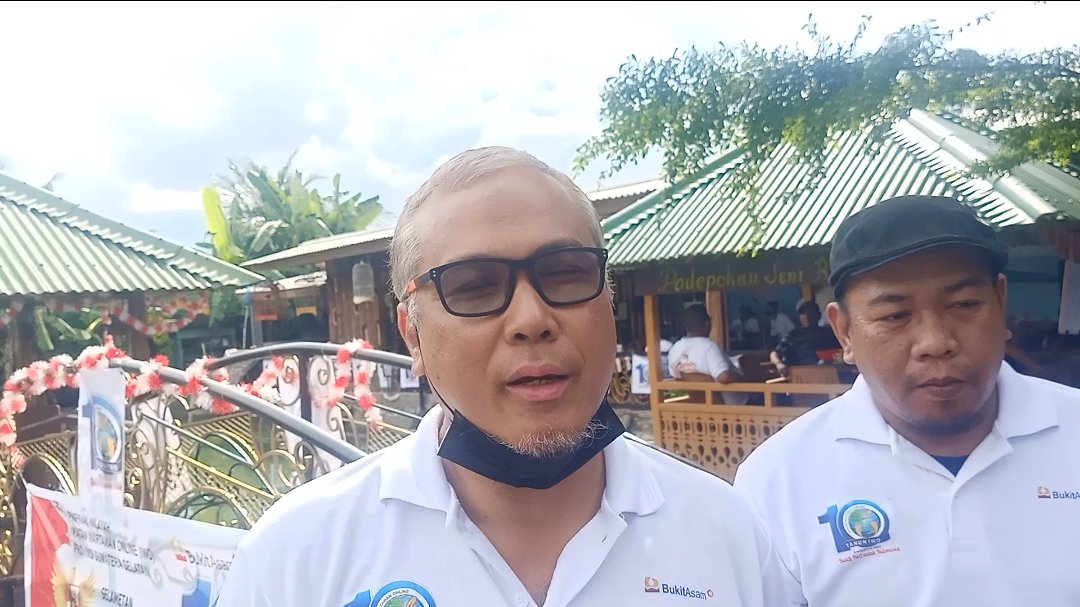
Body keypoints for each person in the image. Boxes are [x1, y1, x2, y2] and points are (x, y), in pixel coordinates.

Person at [217, 146, 789, 606]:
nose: (532, 319)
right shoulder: (296, 559)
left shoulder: (729, 536)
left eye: (565, 274)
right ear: (412, 335)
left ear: (608, 302)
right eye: (474, 287)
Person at [733, 195, 1080, 606]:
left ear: (1001, 302)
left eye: (965, 305)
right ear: (844, 332)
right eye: (894, 316)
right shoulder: (778, 480)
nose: (936, 342)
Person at [669, 304, 749, 404]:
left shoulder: (675, 348)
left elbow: (674, 374)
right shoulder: (710, 347)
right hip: (730, 406)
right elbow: (723, 376)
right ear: (708, 324)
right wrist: (744, 378)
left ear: (685, 326)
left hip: (697, 404)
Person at [768, 301, 840, 371]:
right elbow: (774, 353)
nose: (806, 316)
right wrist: (779, 364)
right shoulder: (794, 335)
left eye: (810, 313)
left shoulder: (829, 333)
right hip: (802, 373)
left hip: (830, 372)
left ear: (819, 315)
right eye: (803, 313)